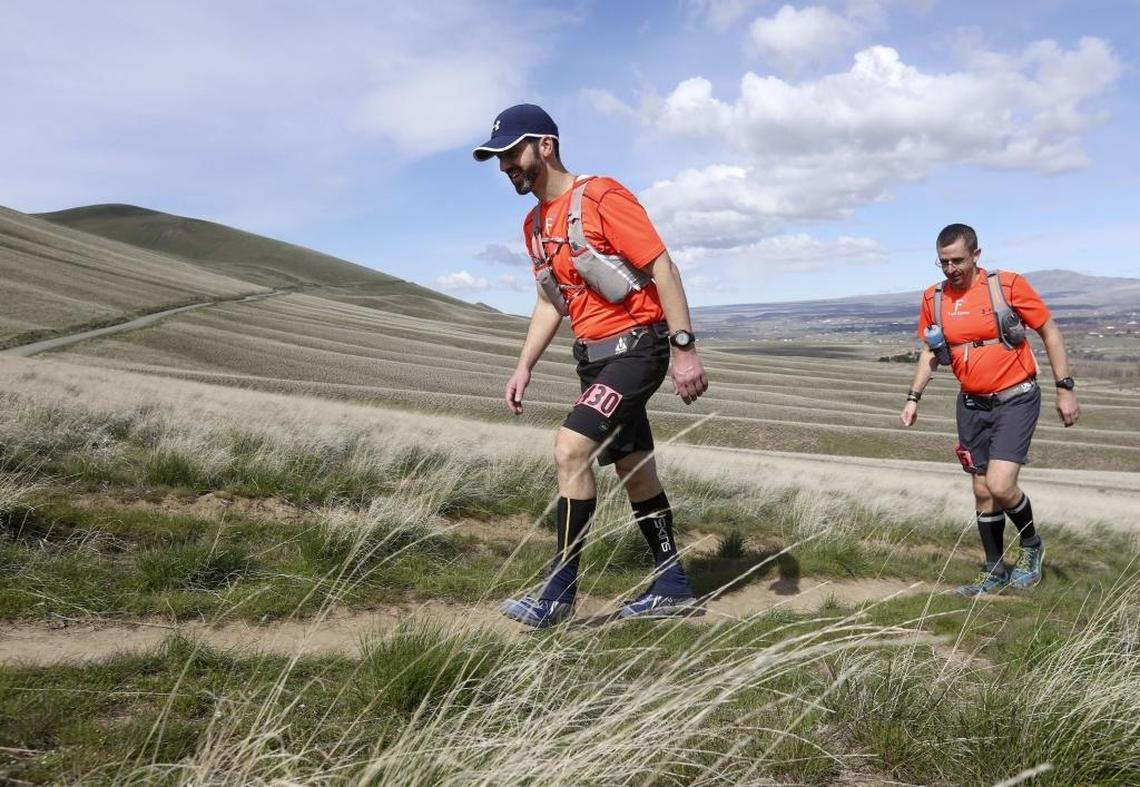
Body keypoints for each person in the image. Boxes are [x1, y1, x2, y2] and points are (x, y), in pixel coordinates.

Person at [473, 103, 709, 627]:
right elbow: (548, 302)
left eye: (512, 152)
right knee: (634, 468)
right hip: (593, 359)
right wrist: (523, 367)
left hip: (638, 347)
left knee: (570, 447)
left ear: (545, 146)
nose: (505, 165)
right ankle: (672, 584)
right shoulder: (533, 225)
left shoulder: (601, 196)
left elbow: (662, 267)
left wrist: (684, 347)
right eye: (499, 157)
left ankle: (558, 595)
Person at [900, 223, 1080, 595]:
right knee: (982, 490)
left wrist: (1065, 388)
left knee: (1000, 484)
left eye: (958, 261)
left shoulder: (1007, 285)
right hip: (971, 403)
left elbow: (1050, 331)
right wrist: (913, 397)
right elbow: (930, 352)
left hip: (1017, 396)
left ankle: (1031, 546)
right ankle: (994, 570)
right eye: (944, 262)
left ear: (976, 255)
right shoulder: (933, 298)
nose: (951, 269)